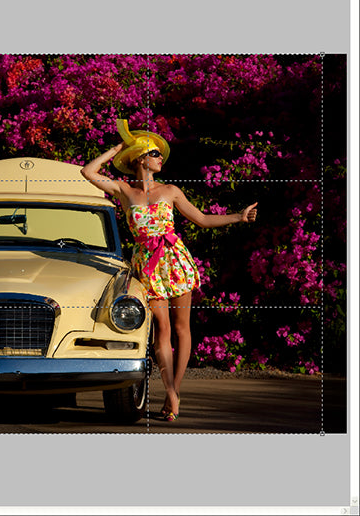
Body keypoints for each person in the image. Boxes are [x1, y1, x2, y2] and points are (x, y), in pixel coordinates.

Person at [80, 120, 258, 421]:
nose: (160, 158)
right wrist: (118, 148)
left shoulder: (171, 191)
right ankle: (171, 393)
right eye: (154, 154)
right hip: (147, 266)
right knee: (160, 328)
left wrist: (237, 217)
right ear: (140, 159)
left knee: (181, 328)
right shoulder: (125, 190)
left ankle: (175, 389)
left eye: (160, 155)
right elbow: (87, 172)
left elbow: (202, 219)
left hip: (174, 261)